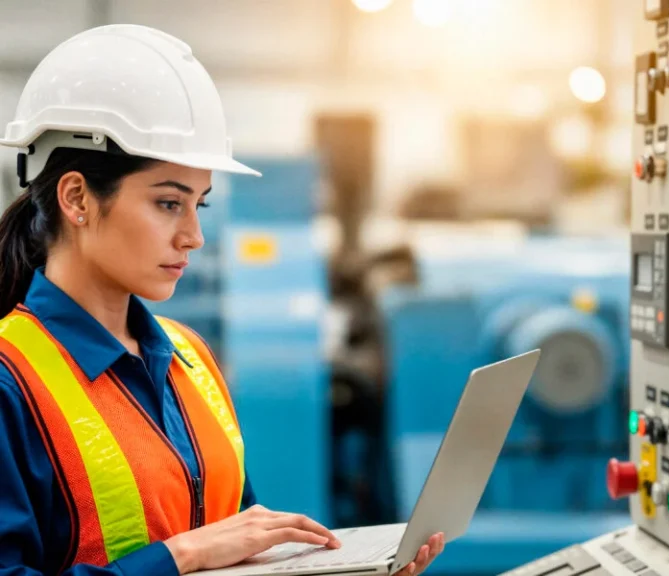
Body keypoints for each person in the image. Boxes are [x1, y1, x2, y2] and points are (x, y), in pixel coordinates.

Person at [0, 24, 444, 576]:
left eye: (199, 206)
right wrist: (178, 556)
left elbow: (241, 556)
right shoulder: (9, 381)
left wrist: (357, 569)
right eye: (168, 203)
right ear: (76, 198)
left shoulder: (189, 358)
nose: (193, 236)